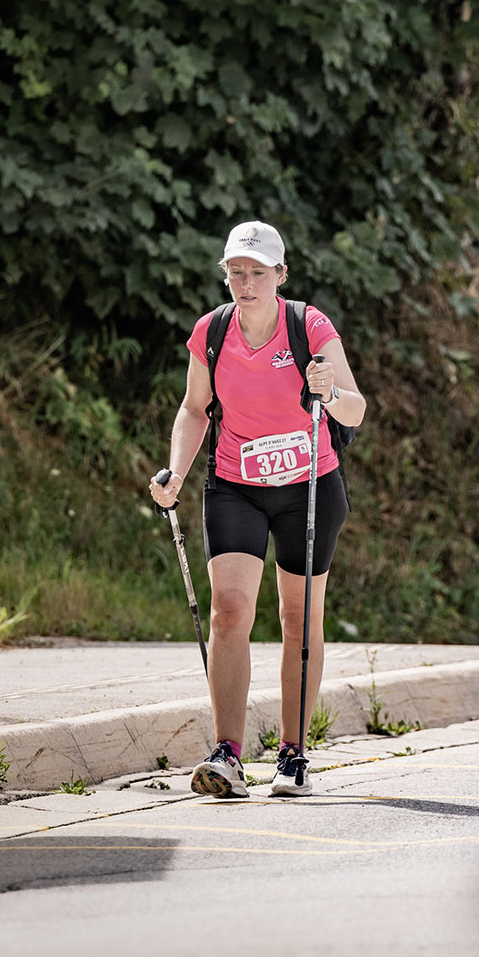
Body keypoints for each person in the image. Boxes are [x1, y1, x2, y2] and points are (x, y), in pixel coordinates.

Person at [148, 221, 367, 799]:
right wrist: (176, 469)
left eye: (258, 273)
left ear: (280, 276)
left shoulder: (309, 326)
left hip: (308, 488)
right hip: (235, 484)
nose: (245, 284)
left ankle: (294, 756)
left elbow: (356, 411)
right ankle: (228, 755)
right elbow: (195, 409)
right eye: (236, 272)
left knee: (299, 619)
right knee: (229, 611)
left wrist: (329, 392)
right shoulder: (212, 332)